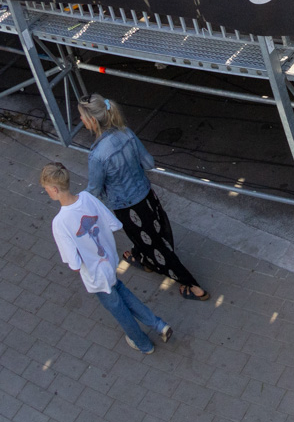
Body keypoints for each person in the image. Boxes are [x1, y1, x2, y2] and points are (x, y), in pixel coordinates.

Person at [80, 96, 207, 301]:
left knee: (155, 245)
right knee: (155, 234)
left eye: (82, 116)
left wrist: (77, 204)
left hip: (126, 207)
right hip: (147, 196)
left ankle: (193, 286)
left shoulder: (97, 155)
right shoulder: (126, 133)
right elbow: (148, 162)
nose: (80, 119)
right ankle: (142, 258)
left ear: (93, 122)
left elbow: (94, 189)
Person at [39, 161, 171, 355]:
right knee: (122, 291)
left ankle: (143, 343)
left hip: (95, 275)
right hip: (109, 262)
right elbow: (113, 224)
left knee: (119, 309)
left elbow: (74, 264)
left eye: (47, 189)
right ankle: (159, 325)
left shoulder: (59, 223)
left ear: (54, 189)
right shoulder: (87, 198)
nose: (47, 192)